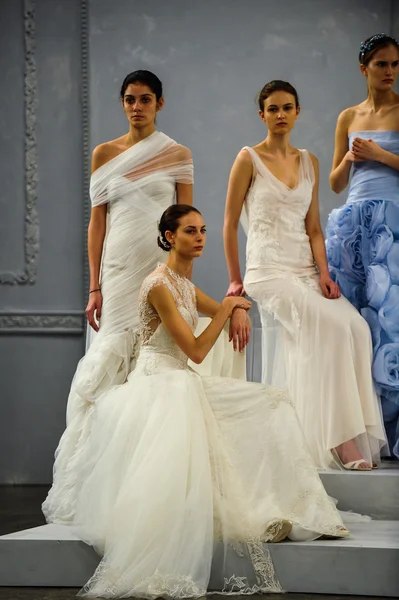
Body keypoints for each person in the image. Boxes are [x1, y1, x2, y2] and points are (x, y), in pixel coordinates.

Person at [72, 204, 348, 599]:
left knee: (272, 400)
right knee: (263, 405)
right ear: (169, 237)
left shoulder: (182, 282)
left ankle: (290, 505)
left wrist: (236, 308)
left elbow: (220, 311)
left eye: (202, 230)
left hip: (179, 378)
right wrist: (231, 308)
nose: (200, 237)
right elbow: (199, 350)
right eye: (190, 231)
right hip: (160, 383)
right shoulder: (160, 284)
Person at [42, 70, 194, 524]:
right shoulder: (104, 154)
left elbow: (186, 225)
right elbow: (98, 224)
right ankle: (93, 481)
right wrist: (94, 285)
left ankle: (142, 484)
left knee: (150, 363)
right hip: (118, 270)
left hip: (157, 268)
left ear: (159, 104)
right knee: (109, 361)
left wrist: (182, 286)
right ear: (122, 103)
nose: (137, 106)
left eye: (146, 99)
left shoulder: (177, 154)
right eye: (130, 99)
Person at [223, 80, 386, 470]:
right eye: (273, 108)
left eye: (287, 107)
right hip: (267, 271)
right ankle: (341, 444)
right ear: (261, 115)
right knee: (327, 330)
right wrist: (235, 282)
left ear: (297, 112)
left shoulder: (309, 161)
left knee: (356, 330)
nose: (281, 115)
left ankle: (337, 430)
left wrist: (325, 275)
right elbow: (229, 224)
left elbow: (314, 228)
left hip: (306, 271)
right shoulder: (248, 158)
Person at [326, 33, 399, 459]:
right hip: (354, 223)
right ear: (363, 69)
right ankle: (365, 431)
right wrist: (352, 159)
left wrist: (379, 154)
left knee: (393, 322)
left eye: (394, 64)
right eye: (381, 64)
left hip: (393, 222)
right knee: (360, 325)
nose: (389, 72)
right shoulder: (348, 116)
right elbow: (336, 183)